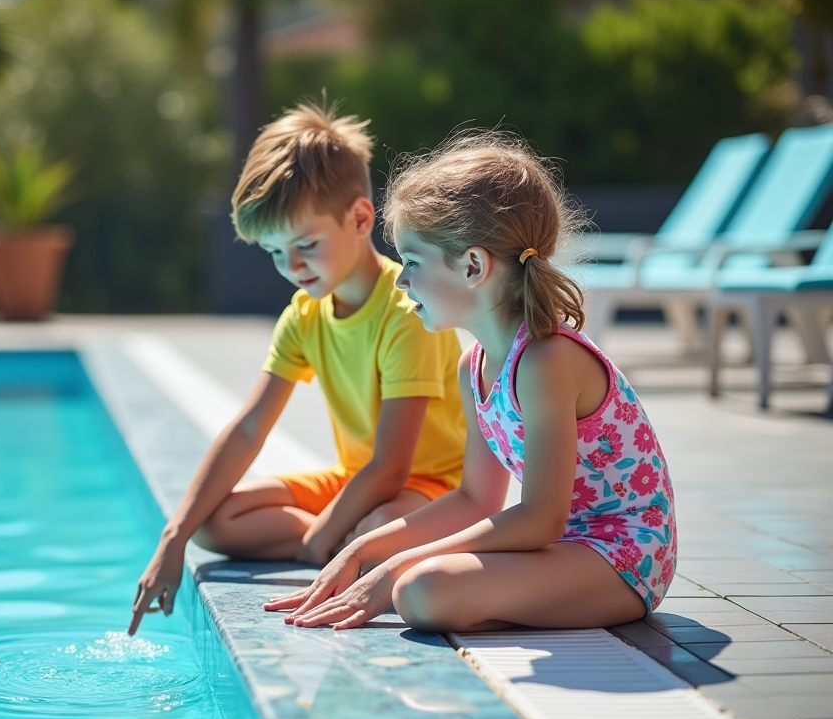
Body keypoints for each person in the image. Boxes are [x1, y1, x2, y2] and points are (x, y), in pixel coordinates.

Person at [265, 130, 677, 632]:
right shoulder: (474, 366)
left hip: (625, 558)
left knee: (419, 588)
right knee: (413, 581)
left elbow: (540, 517)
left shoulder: (547, 361)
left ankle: (494, 599)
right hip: (565, 547)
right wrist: (361, 549)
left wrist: (399, 561)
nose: (401, 279)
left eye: (412, 262)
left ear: (473, 266)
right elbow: (475, 500)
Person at [128, 103, 466, 635]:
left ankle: (348, 543)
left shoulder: (406, 312)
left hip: (428, 488)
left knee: (378, 526)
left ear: (360, 219)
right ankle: (348, 545)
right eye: (275, 251)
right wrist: (173, 538)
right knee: (215, 522)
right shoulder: (305, 314)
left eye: (306, 245)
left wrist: (316, 538)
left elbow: (391, 467)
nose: (292, 267)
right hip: (356, 480)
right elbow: (248, 428)